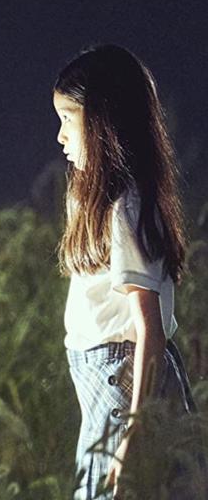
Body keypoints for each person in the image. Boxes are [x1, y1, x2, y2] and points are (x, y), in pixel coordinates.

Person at [53, 44, 202, 499]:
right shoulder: (96, 202)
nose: (60, 136)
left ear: (103, 123)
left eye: (68, 120)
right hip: (102, 387)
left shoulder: (127, 207)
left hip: (124, 385)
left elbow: (148, 329)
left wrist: (133, 434)